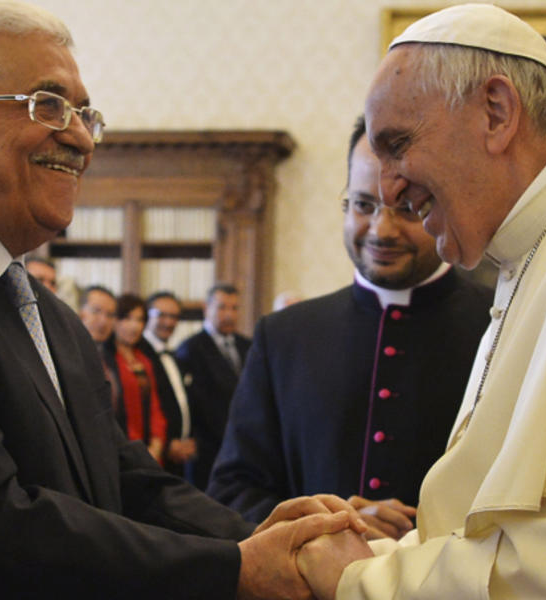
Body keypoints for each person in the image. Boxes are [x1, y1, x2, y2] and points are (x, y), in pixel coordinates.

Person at [0, 2, 366, 598]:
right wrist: (234, 570)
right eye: (48, 104)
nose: (83, 137)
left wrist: (260, 536)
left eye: (86, 114)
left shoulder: (46, 312)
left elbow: (123, 480)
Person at [296, 4, 546, 599]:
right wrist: (373, 551)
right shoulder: (540, 246)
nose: (390, 185)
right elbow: (488, 529)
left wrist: (359, 579)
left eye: (398, 145)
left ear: (496, 113)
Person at [208, 116, 491, 539]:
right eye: (363, 205)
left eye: (408, 209)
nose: (381, 230)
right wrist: (326, 526)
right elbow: (231, 492)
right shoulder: (285, 336)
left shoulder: (500, 326)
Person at [175, 283, 252, 490]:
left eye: (234, 308)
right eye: (222, 307)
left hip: (244, 447)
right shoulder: (189, 349)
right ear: (206, 308)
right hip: (207, 451)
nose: (229, 314)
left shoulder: (248, 346)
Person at [141, 290, 198, 476]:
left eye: (174, 316)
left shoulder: (175, 356)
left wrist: (188, 440)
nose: (169, 322)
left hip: (179, 459)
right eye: (161, 315)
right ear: (147, 315)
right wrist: (167, 444)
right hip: (152, 455)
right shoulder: (139, 355)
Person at [110, 293, 167, 463]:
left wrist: (156, 445)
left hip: (149, 449)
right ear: (115, 320)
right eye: (127, 318)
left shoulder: (144, 360)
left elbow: (155, 406)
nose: (134, 326)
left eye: (140, 320)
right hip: (119, 450)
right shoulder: (106, 360)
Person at [79, 284, 124, 416]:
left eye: (110, 315)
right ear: (80, 312)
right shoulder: (67, 355)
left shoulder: (110, 357)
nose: (103, 321)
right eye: (96, 311)